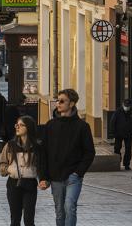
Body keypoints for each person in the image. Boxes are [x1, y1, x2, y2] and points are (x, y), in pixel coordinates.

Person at [38, 89, 95, 226]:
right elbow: (43, 152)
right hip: (55, 176)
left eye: (62, 101)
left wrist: (78, 172)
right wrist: (43, 177)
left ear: (72, 103)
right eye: (57, 100)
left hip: (73, 177)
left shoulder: (82, 126)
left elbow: (89, 152)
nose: (58, 103)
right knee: (59, 211)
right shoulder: (50, 125)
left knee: (69, 206)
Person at [0, 116, 43, 226]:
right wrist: (9, 169)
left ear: (29, 127)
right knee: (15, 218)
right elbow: (1, 164)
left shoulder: (37, 146)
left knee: (29, 219)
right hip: (14, 183)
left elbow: (42, 166)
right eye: (16, 125)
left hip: (30, 184)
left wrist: (43, 179)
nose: (17, 127)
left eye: (21, 125)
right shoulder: (10, 145)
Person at [109, 99, 132, 170]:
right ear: (123, 105)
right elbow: (112, 123)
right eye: (125, 106)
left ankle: (126, 164)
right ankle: (117, 162)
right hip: (118, 134)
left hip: (128, 134)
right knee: (117, 148)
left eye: (128, 106)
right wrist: (112, 134)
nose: (126, 107)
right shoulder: (117, 112)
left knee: (128, 149)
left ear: (130, 106)